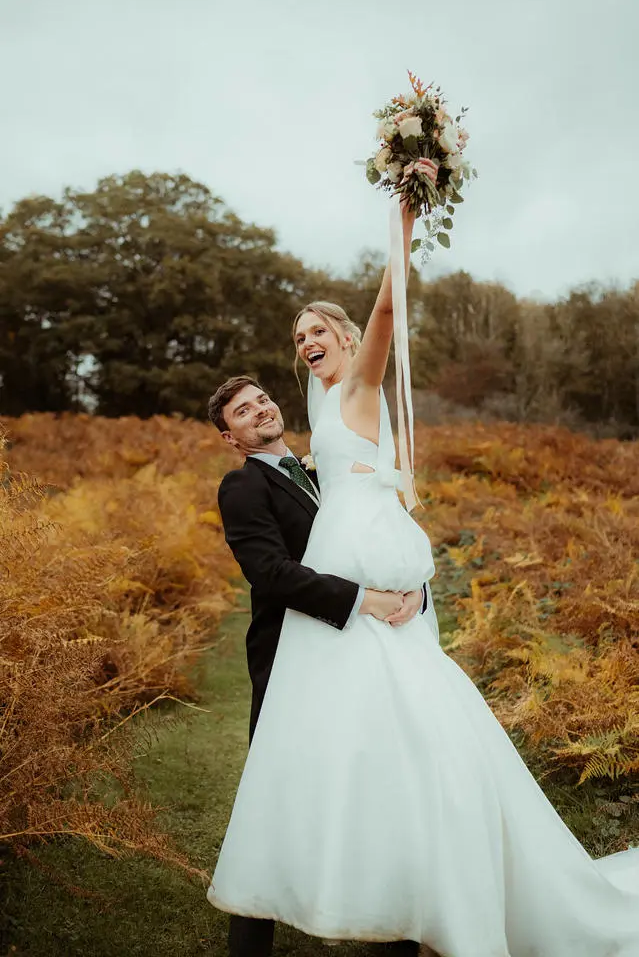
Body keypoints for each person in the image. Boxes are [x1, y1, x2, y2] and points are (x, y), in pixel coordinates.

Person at [208, 175, 639, 956]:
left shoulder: (362, 381)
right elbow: (283, 557)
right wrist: (366, 591)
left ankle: (410, 901)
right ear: (233, 434)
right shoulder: (306, 417)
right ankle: (353, 901)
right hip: (324, 613)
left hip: (363, 591)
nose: (307, 342)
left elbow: (381, 315)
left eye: (318, 330)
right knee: (339, 751)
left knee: (398, 736)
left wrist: (402, 221)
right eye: (297, 335)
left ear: (343, 336)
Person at [208, 375, 431, 956]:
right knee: (276, 793)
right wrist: (364, 598)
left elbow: (375, 538)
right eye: (241, 411)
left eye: (260, 399)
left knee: (374, 782)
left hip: (354, 654)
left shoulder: (323, 473)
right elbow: (270, 572)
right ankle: (250, 938)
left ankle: (394, 926)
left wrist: (412, 594)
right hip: (288, 654)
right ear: (230, 436)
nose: (258, 410)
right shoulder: (242, 486)